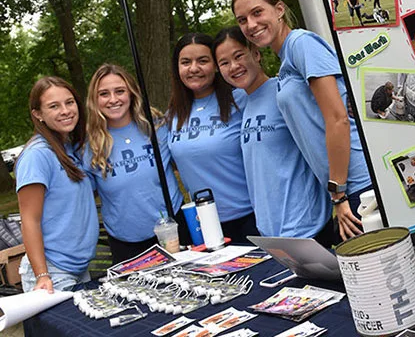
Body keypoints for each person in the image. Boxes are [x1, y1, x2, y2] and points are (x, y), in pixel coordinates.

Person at [232, 0, 374, 242]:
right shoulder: (285, 61)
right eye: (242, 20)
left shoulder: (301, 43)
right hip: (345, 190)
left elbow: (338, 119)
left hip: (361, 185)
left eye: (257, 13)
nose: (251, 24)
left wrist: (339, 193)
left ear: (278, 9)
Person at [213, 27, 333, 245]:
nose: (234, 66)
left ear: (256, 54)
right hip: (271, 233)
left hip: (306, 228)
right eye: (224, 62)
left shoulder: (283, 93)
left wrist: (338, 197)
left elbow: (320, 145)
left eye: (239, 56)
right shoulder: (244, 103)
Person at [84, 64, 186, 264]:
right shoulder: (90, 147)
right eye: (104, 94)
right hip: (127, 244)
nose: (113, 99)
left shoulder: (156, 127)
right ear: (95, 101)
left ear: (131, 93)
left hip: (173, 230)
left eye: (120, 91)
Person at [167, 33, 258, 244]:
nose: (193, 68)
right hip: (203, 226)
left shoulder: (242, 100)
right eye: (185, 62)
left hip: (249, 218)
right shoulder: (173, 115)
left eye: (203, 60)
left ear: (216, 65)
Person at [16, 77, 99, 292]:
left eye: (69, 102)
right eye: (54, 106)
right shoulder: (37, 156)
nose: (65, 110)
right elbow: (29, 220)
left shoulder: (69, 149)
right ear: (38, 114)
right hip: (53, 274)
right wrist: (42, 275)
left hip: (79, 269)